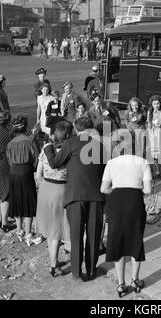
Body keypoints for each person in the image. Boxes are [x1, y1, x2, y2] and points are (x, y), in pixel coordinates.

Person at [43, 117, 105, 281]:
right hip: (96, 196)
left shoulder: (71, 143)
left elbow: (55, 163)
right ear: (91, 128)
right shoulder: (101, 146)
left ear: (77, 129)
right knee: (94, 235)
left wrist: (48, 147)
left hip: (75, 196)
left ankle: (77, 272)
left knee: (76, 236)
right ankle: (92, 270)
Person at [100, 137, 152, 297]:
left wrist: (117, 190)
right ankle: (135, 280)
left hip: (116, 203)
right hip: (135, 202)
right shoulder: (143, 162)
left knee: (118, 241)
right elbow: (148, 189)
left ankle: (121, 284)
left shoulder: (111, 163)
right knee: (136, 240)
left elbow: (103, 188)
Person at [36, 120, 72, 277]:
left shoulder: (45, 149)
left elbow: (38, 174)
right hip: (60, 189)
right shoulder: (69, 151)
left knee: (50, 229)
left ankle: (54, 260)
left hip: (45, 189)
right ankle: (53, 265)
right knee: (57, 229)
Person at [6, 115, 39, 245]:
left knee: (17, 200)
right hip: (26, 172)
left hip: (13, 172)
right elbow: (35, 158)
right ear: (25, 127)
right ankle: (28, 233)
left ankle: (19, 230)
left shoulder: (10, 143)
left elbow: (9, 160)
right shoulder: (29, 141)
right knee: (28, 202)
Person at [147, 95, 161, 178]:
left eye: (157, 104)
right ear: (152, 104)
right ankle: (156, 169)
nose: (156, 106)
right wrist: (149, 130)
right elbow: (148, 123)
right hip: (153, 134)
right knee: (153, 153)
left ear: (160, 104)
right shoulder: (150, 112)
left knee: (160, 152)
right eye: (154, 104)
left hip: (160, 133)